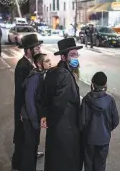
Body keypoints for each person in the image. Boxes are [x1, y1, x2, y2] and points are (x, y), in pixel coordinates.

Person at [41, 37, 83, 171]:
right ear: (64, 57)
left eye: (76, 54)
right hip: (65, 126)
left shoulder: (56, 71)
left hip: (59, 126)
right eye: (72, 55)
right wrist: (51, 121)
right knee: (65, 161)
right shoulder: (64, 75)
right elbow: (58, 104)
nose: (75, 57)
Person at [12, 34, 43, 171]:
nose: (39, 49)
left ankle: (19, 163)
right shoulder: (22, 66)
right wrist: (22, 112)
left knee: (26, 140)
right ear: (29, 50)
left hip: (28, 109)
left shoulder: (30, 63)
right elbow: (22, 92)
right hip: (25, 110)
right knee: (25, 140)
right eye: (36, 47)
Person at [80, 72, 119, 171]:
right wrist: (106, 129)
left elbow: (82, 122)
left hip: (89, 138)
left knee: (88, 165)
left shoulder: (86, 100)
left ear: (92, 83)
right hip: (103, 139)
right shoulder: (110, 101)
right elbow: (115, 121)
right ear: (105, 84)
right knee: (100, 165)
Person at [20, 53, 52, 171]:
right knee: (30, 147)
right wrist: (34, 122)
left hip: (33, 117)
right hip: (30, 118)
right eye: (47, 61)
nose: (50, 63)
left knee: (33, 146)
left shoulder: (40, 75)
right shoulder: (35, 78)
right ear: (39, 64)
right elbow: (30, 101)